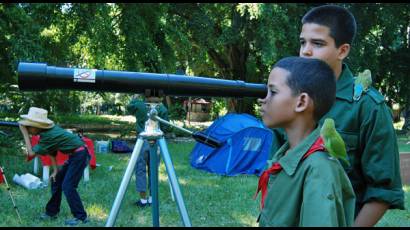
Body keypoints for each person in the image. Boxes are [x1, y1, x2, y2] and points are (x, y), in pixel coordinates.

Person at [277, 4, 403, 226]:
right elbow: (276, 172)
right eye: (302, 42)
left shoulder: (369, 107)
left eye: (317, 43)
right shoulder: (287, 99)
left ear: (342, 50)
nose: (305, 51)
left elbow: (383, 190)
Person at [256, 56, 355, 226]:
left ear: (301, 102)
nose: (262, 99)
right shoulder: (286, 155)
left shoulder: (319, 170)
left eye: (273, 92)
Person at [18, 107, 90, 226]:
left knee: (68, 186)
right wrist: (56, 170)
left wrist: (24, 133)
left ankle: (81, 217)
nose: (28, 129)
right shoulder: (46, 133)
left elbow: (30, 153)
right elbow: (52, 150)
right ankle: (52, 212)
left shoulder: (47, 136)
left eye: (29, 127)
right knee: (56, 181)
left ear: (37, 126)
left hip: (80, 155)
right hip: (75, 155)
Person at [127, 95, 170, 208]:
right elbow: (166, 127)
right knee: (153, 171)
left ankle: (143, 200)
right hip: (156, 141)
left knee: (140, 170)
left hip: (143, 140)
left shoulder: (139, 105)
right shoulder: (162, 108)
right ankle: (151, 199)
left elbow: (129, 107)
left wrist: (135, 98)